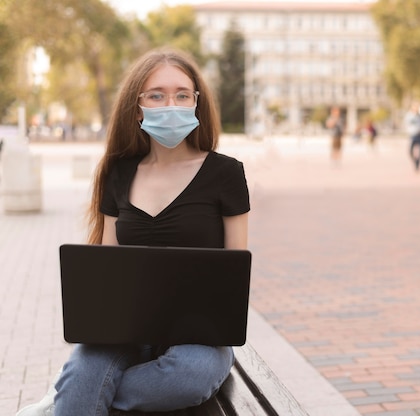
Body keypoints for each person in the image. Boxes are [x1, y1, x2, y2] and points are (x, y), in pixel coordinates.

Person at [16, 48, 250, 415]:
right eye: (156, 94)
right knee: (82, 372)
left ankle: (67, 400)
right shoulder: (118, 173)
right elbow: (109, 264)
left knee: (186, 378)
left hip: (201, 338)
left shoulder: (227, 174)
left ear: (196, 102)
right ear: (137, 105)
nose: (170, 103)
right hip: (126, 331)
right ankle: (73, 393)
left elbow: (236, 271)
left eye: (182, 94)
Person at [404, 102, 420, 170]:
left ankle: (418, 162)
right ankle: (415, 161)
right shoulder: (409, 116)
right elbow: (407, 124)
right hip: (413, 135)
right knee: (411, 151)